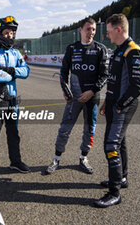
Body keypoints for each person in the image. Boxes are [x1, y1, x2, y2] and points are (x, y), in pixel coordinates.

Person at [44, 17, 108, 175]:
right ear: (80, 30)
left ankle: (83, 158)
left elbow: (105, 75)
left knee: (90, 129)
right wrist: (66, 91)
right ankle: (56, 158)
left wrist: (92, 91)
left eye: (93, 29)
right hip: (74, 98)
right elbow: (63, 73)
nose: (91, 32)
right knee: (65, 129)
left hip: (92, 98)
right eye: (88, 29)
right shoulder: (72, 48)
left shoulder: (101, 49)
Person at [94, 13, 140, 208]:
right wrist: (108, 102)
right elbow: (114, 83)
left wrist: (120, 105)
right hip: (114, 105)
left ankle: (114, 193)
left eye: (108, 32)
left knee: (111, 146)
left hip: (123, 106)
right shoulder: (117, 51)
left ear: (118, 29)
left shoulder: (134, 51)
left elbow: (137, 87)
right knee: (119, 142)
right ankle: (121, 178)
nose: (107, 36)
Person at [0, 16, 30, 184]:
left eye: (12, 33)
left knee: (13, 134)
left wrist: (9, 70)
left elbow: (26, 72)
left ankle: (15, 162)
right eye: (7, 32)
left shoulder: (16, 53)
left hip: (11, 99)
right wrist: (13, 71)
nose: (10, 36)